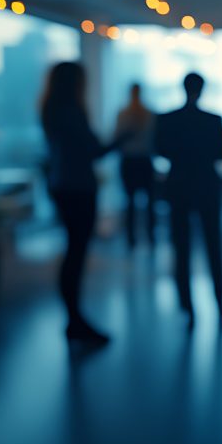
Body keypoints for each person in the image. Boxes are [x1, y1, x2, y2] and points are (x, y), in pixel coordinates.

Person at [40, 62, 124, 345]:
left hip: (62, 186)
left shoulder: (51, 110)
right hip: (77, 188)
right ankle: (75, 319)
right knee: (76, 254)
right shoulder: (71, 112)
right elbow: (94, 151)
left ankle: (74, 318)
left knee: (73, 253)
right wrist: (123, 138)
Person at [154, 73, 222, 326]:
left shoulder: (168, 120)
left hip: (179, 186)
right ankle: (220, 305)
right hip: (207, 186)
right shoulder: (212, 120)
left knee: (182, 248)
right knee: (213, 246)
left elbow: (160, 149)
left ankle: (187, 307)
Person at [115, 83, 156, 250]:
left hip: (133, 161)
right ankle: (146, 237)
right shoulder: (148, 114)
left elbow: (116, 137)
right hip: (141, 160)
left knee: (134, 202)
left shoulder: (125, 114)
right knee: (143, 202)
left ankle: (134, 238)